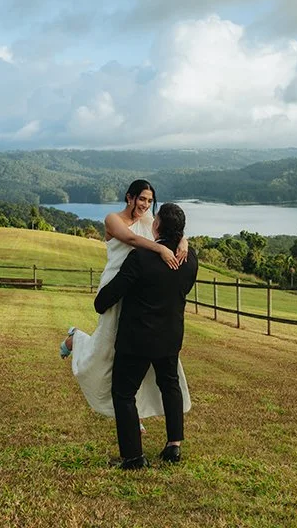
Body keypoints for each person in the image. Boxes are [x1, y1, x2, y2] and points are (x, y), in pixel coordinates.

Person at [60, 180, 192, 424]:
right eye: (141, 199)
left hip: (138, 290)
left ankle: (133, 413)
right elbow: (131, 240)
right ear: (129, 198)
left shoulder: (150, 221)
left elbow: (172, 230)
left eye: (150, 201)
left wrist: (183, 241)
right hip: (116, 285)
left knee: (137, 354)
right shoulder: (113, 219)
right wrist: (161, 250)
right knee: (107, 348)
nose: (145, 205)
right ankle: (75, 339)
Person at [95, 202, 198, 469]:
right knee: (170, 385)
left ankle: (133, 457)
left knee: (124, 393)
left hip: (136, 338)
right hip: (170, 335)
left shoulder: (140, 258)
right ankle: (174, 445)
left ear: (157, 226)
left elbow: (112, 293)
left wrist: (100, 302)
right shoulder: (190, 258)